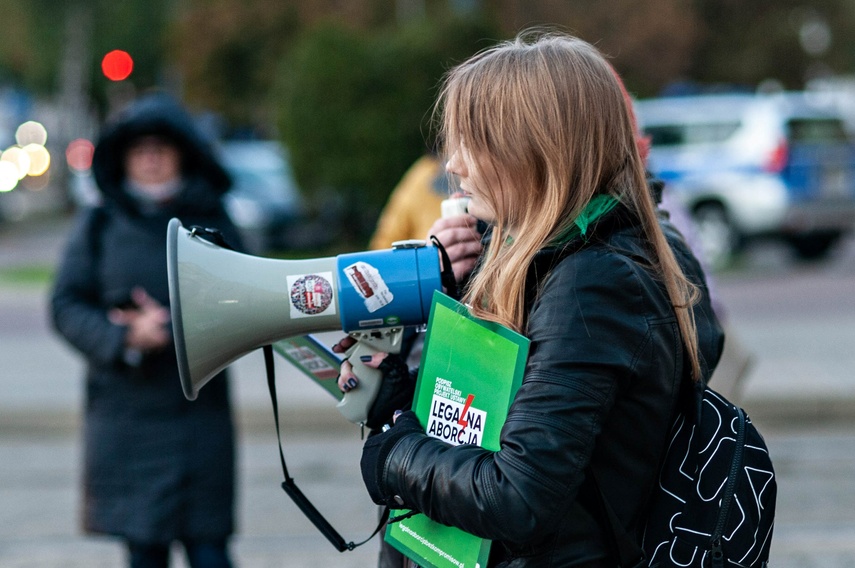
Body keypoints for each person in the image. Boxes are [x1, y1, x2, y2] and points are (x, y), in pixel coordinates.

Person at [341, 32, 725, 567]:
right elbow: (502, 427)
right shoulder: (559, 261)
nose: (452, 164)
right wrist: (402, 408)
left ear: (537, 149)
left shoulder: (592, 283)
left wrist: (396, 457)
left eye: (472, 142)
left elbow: (515, 497)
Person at [50, 92, 240, 568]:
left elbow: (248, 299)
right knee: (144, 551)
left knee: (209, 549)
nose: (151, 158)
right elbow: (65, 305)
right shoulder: (98, 223)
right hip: (127, 416)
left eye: (161, 147)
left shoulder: (214, 220)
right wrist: (124, 337)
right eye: (139, 149)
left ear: (183, 153)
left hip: (200, 416)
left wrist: (173, 327)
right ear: (123, 158)